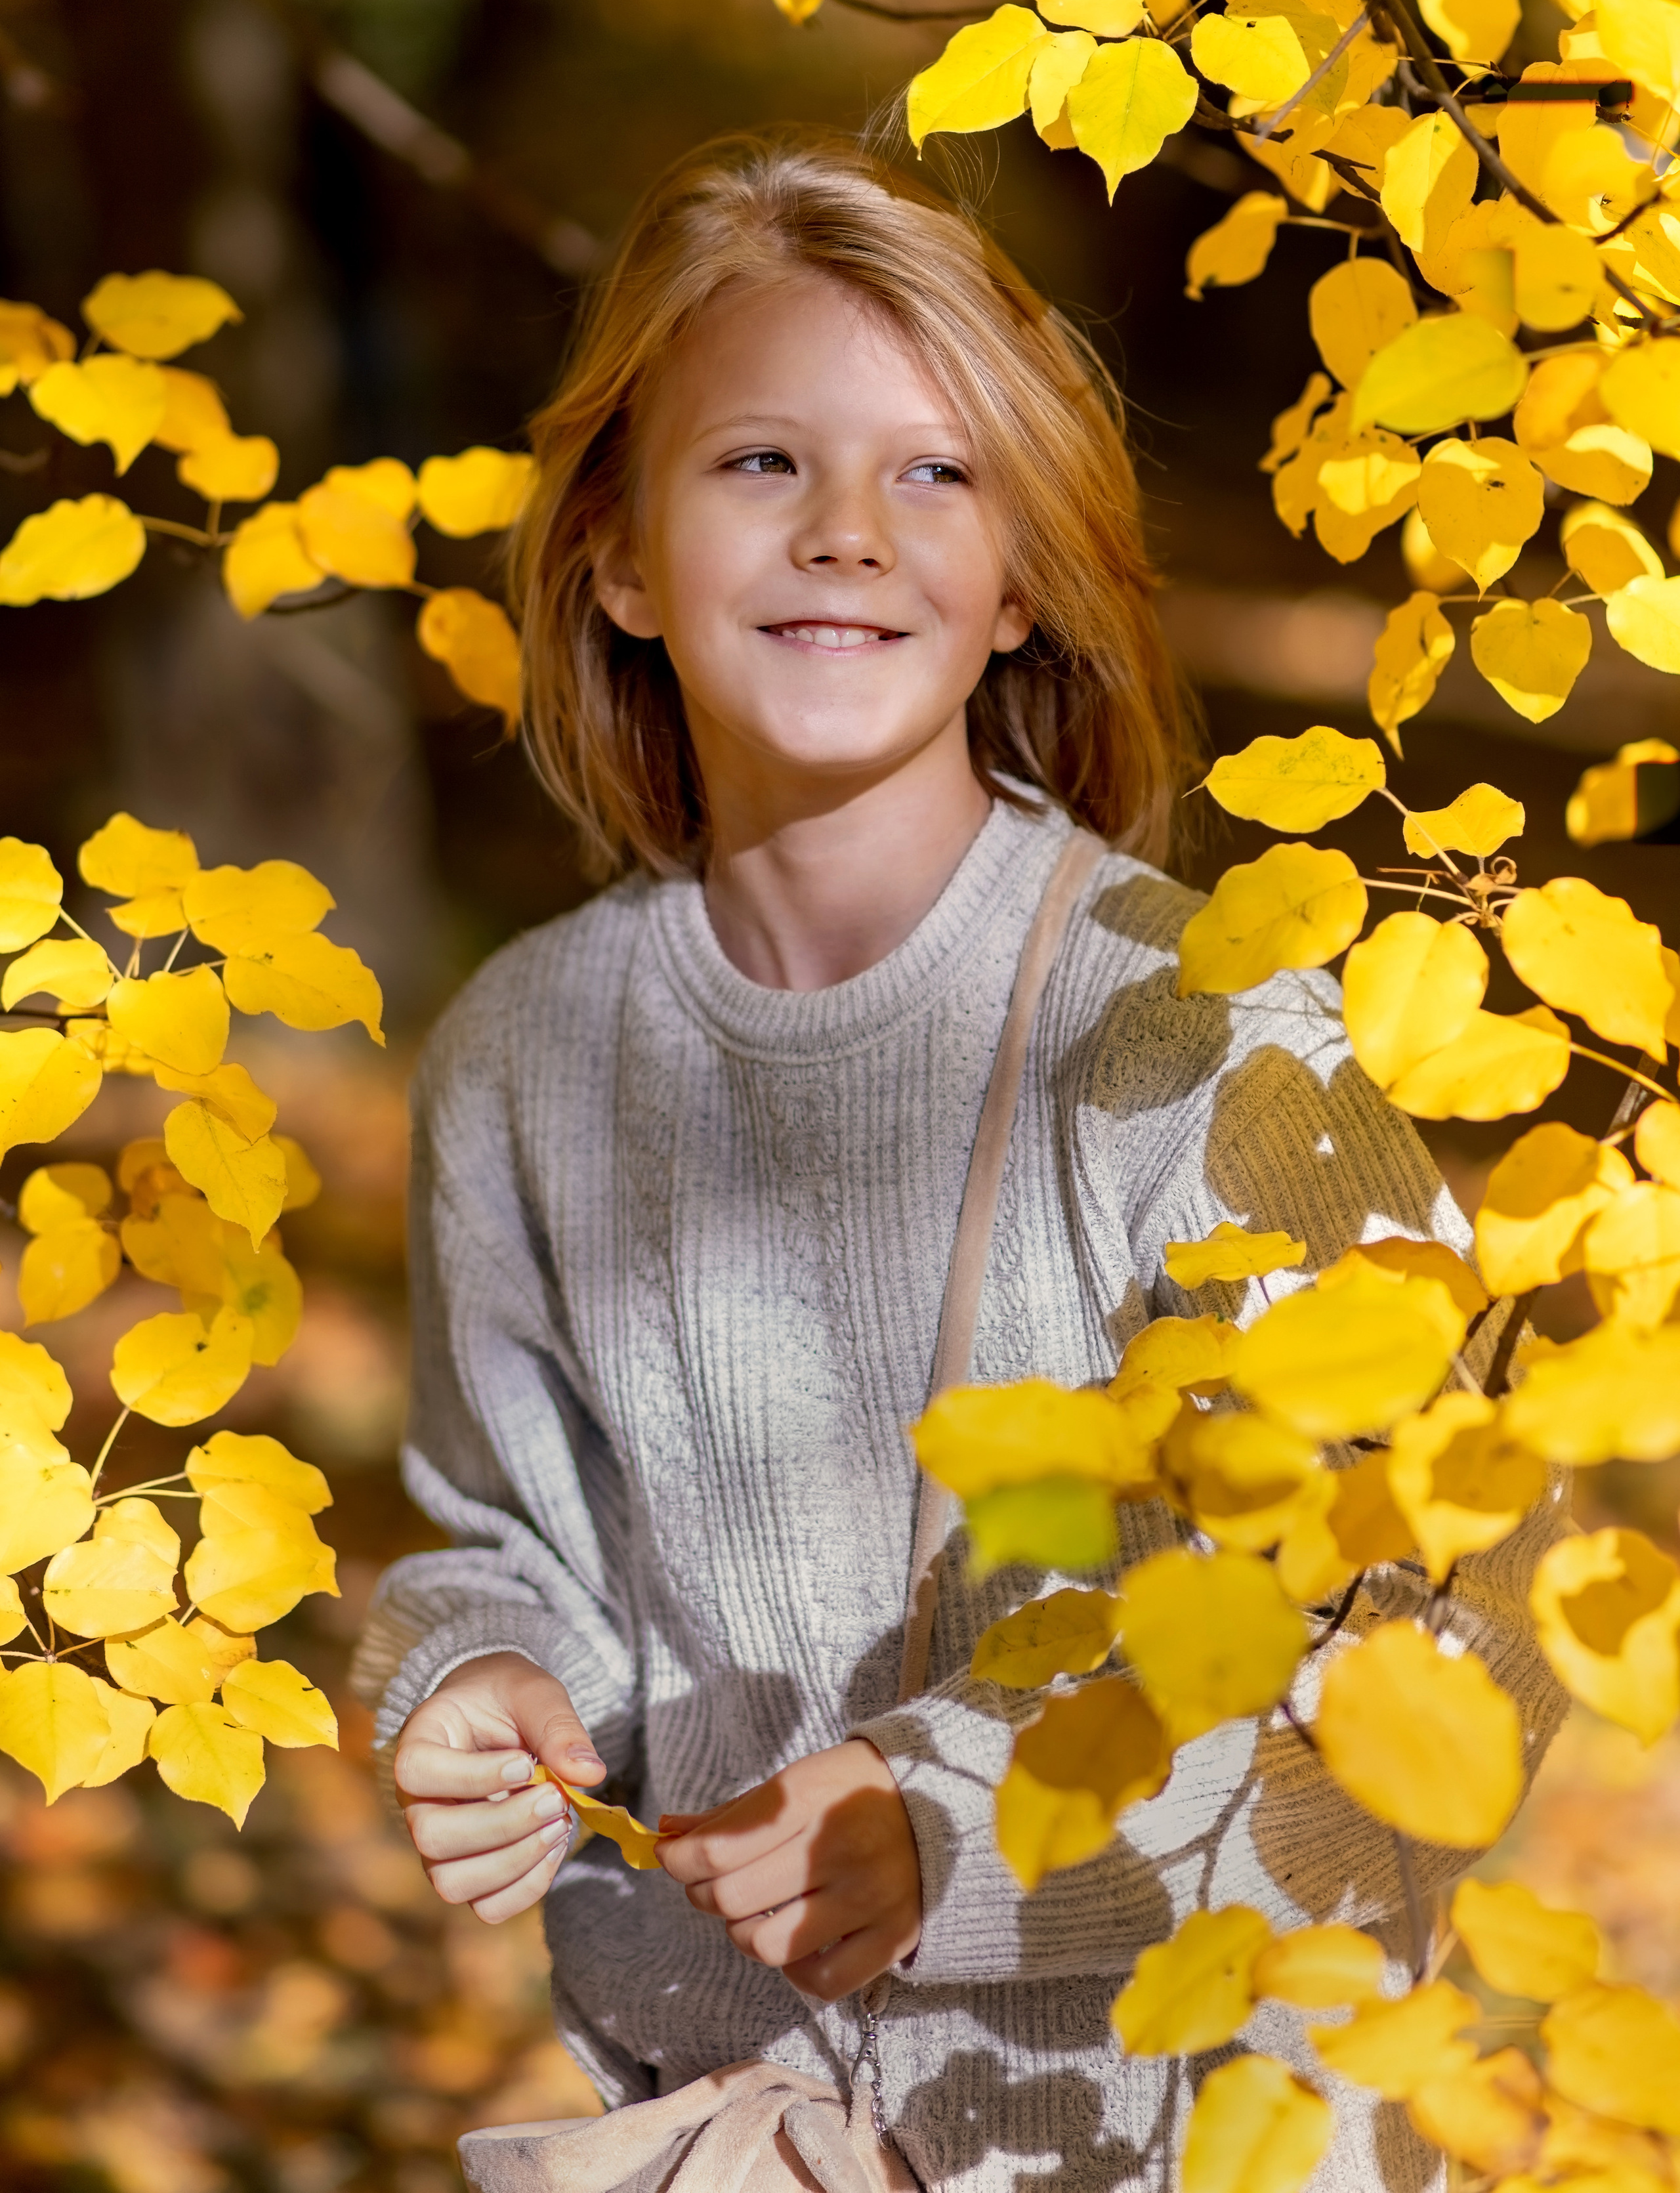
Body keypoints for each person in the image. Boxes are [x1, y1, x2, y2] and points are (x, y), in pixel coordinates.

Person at [351, 130, 1563, 2191]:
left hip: (1197, 2142)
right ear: (620, 557)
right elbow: (509, 1532)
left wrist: (964, 1832)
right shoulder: (524, 1062)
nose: (847, 533)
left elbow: (1462, 1644)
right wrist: (476, 1672)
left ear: (1021, 583)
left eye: (935, 474)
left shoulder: (1204, 1032)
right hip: (748, 2140)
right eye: (759, 466)